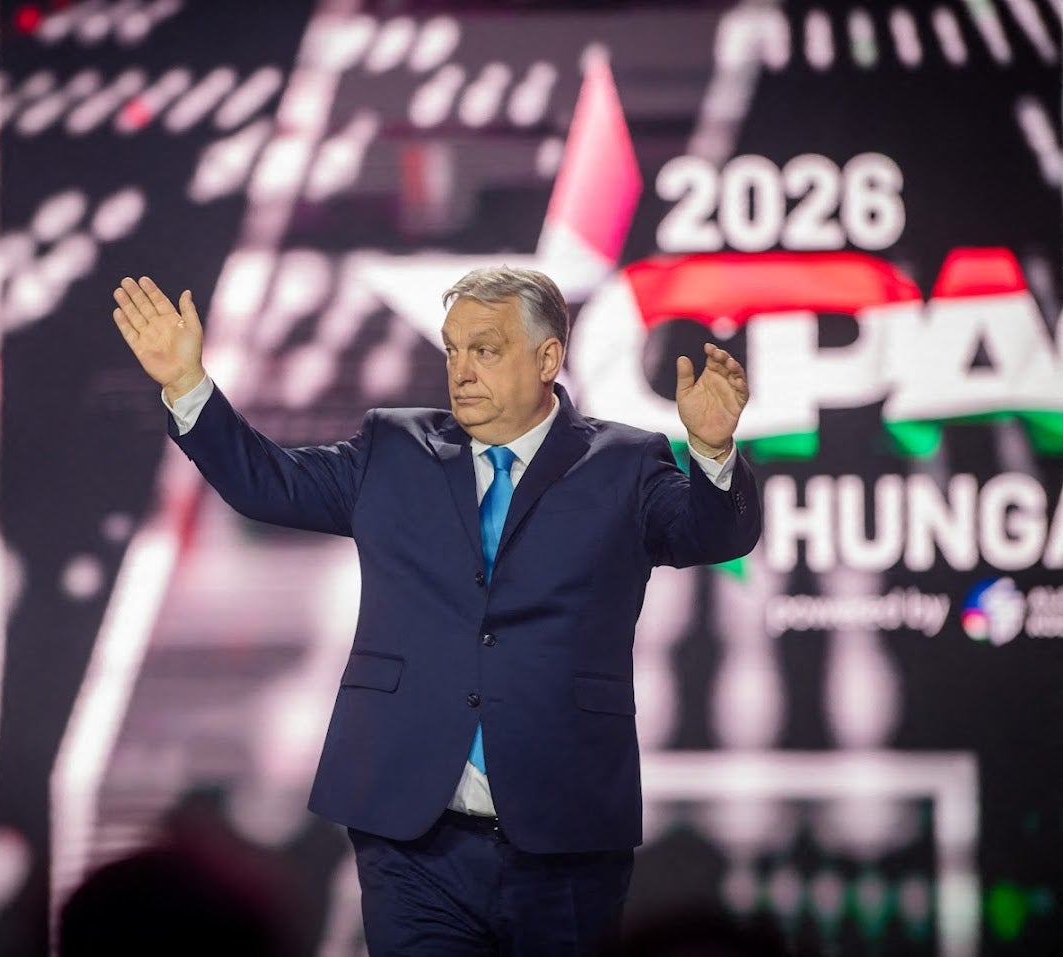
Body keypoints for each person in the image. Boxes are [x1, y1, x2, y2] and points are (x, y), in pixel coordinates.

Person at [110, 267, 761, 955]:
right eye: (453, 349)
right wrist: (188, 385)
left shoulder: (624, 462)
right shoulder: (393, 449)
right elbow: (264, 484)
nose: (462, 370)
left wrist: (713, 454)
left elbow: (713, 535)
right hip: (413, 839)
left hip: (564, 837)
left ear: (547, 358)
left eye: (485, 350)